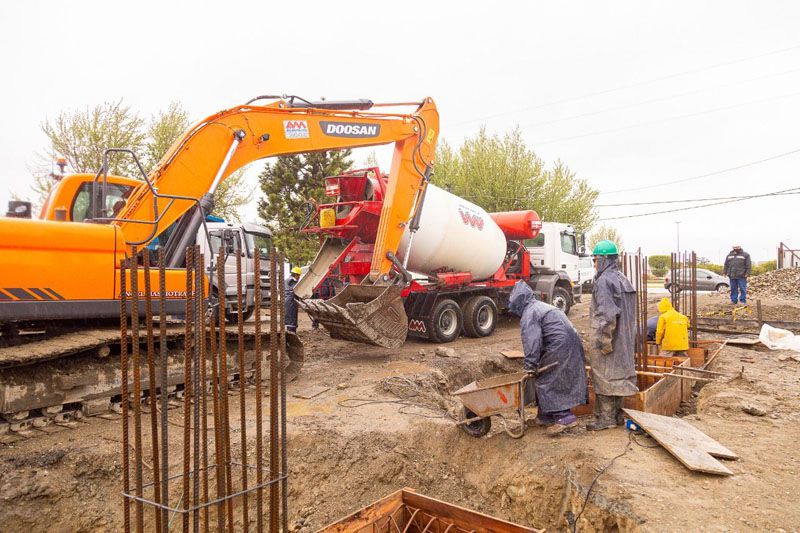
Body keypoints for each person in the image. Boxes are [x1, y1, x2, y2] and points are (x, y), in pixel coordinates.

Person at [508, 281, 588, 435]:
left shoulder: (530, 313)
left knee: (549, 379)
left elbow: (532, 341)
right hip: (569, 341)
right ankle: (545, 416)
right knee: (552, 377)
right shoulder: (538, 305)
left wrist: (530, 364)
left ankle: (565, 417)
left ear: (518, 303)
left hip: (559, 345)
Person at [587, 240, 638, 431]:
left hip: (610, 337)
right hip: (624, 338)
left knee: (605, 376)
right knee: (619, 375)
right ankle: (617, 415)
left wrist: (602, 341)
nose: (594, 264)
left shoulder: (603, 282)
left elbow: (606, 315)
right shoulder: (623, 278)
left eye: (595, 260)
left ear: (603, 259)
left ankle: (607, 418)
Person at [284, 266, 302, 333]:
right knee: (292, 316)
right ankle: (292, 333)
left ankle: (290, 332)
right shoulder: (292, 281)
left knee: (289, 316)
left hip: (287, 300)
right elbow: (296, 291)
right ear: (295, 274)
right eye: (299, 276)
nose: (299, 277)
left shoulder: (286, 280)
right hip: (291, 301)